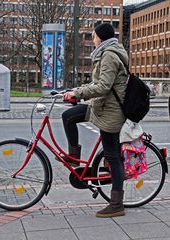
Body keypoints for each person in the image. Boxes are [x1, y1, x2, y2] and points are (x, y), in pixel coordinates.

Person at [61, 23, 129, 218]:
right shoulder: (106, 52)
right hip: (101, 106)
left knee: (113, 156)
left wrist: (79, 93)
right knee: (68, 116)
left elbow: (104, 86)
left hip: (110, 111)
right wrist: (75, 91)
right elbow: (97, 83)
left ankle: (117, 204)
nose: (92, 39)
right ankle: (74, 157)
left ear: (101, 37)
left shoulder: (108, 55)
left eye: (94, 36)